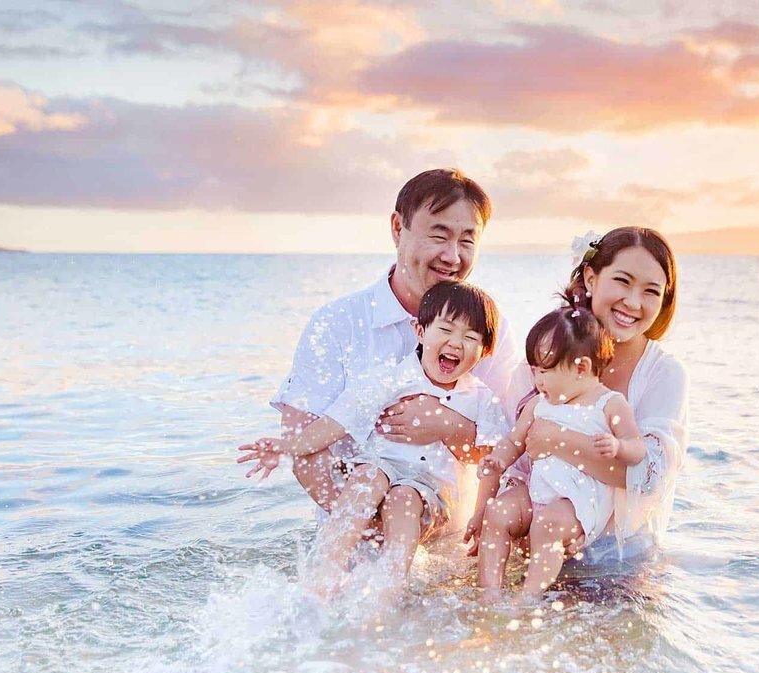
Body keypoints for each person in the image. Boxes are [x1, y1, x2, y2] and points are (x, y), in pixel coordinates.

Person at [269, 168, 519, 523]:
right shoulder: (339, 321)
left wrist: (446, 423)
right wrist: (374, 527)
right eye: (439, 235)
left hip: (448, 550)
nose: (452, 256)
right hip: (349, 541)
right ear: (398, 228)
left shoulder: (489, 330)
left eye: (467, 241)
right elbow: (303, 443)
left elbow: (510, 449)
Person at [239, 282, 510, 591]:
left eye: (470, 337)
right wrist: (287, 448)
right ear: (419, 331)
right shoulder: (390, 379)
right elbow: (337, 421)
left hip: (429, 490)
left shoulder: (481, 399)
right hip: (377, 466)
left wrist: (482, 515)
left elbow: (490, 461)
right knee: (366, 477)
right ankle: (321, 580)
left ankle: (387, 595)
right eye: (446, 330)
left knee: (403, 499)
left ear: (485, 350)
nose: (456, 343)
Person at [467, 227, 688, 591]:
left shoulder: (664, 373)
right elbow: (520, 458)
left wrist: (558, 440)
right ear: (590, 277)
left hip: (616, 563)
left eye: (651, 291)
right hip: (538, 542)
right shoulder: (541, 364)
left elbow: (650, 475)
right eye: (623, 281)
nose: (634, 302)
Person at [465, 303, 645, 599]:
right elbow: (515, 441)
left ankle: (528, 597)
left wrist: (618, 446)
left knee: (547, 524)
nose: (538, 380)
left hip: (579, 502)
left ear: (582, 368)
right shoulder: (539, 404)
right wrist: (498, 459)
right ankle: (489, 592)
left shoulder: (610, 404)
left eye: (545, 370)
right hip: (538, 490)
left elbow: (638, 450)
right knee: (497, 511)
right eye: (535, 370)